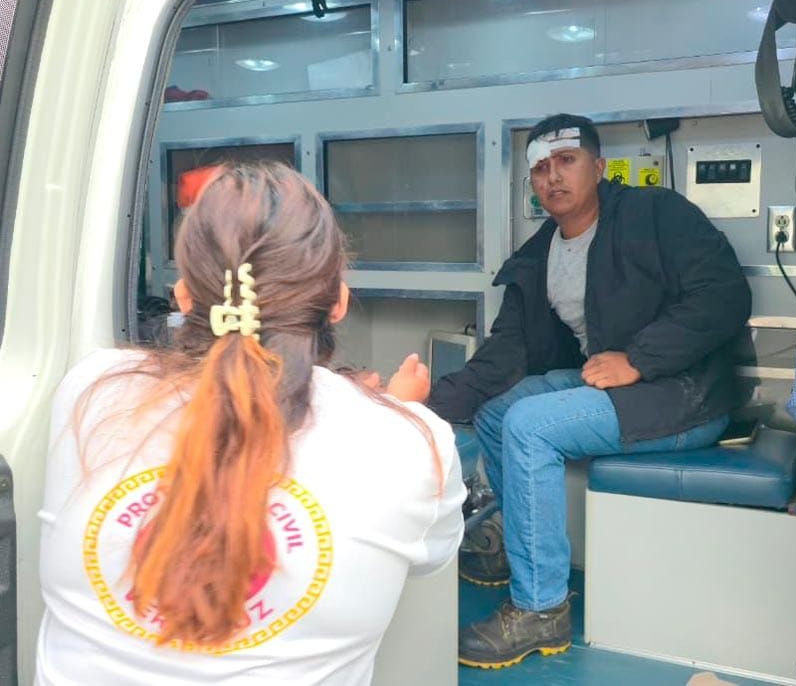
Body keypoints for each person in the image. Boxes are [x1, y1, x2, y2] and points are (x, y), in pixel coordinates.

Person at [36, 163, 465, 685]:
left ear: (185, 296)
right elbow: (431, 558)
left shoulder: (91, 392)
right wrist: (397, 414)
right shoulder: (410, 445)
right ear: (337, 302)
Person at [427, 114, 751, 669]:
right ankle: (520, 549)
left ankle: (540, 608)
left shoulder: (657, 215)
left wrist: (640, 361)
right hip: (616, 387)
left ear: (599, 167)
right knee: (497, 411)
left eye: (567, 161)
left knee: (529, 425)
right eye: (541, 169)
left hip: (686, 394)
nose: (553, 177)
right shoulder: (539, 255)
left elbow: (724, 295)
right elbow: (503, 356)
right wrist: (410, 408)